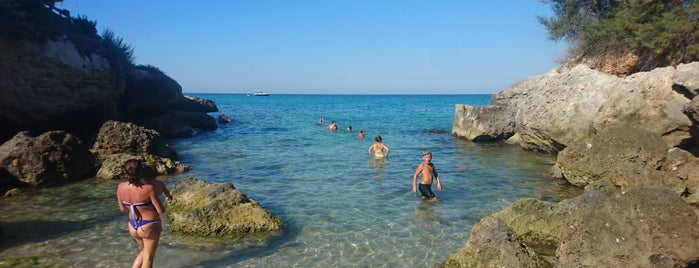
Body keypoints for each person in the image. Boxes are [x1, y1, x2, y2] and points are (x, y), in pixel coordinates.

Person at [117, 159, 165, 268]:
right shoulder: (148, 189)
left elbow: (123, 208)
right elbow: (161, 211)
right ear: (141, 173)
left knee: (145, 252)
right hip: (149, 224)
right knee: (148, 258)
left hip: (132, 224)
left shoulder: (120, 187)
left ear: (125, 172)